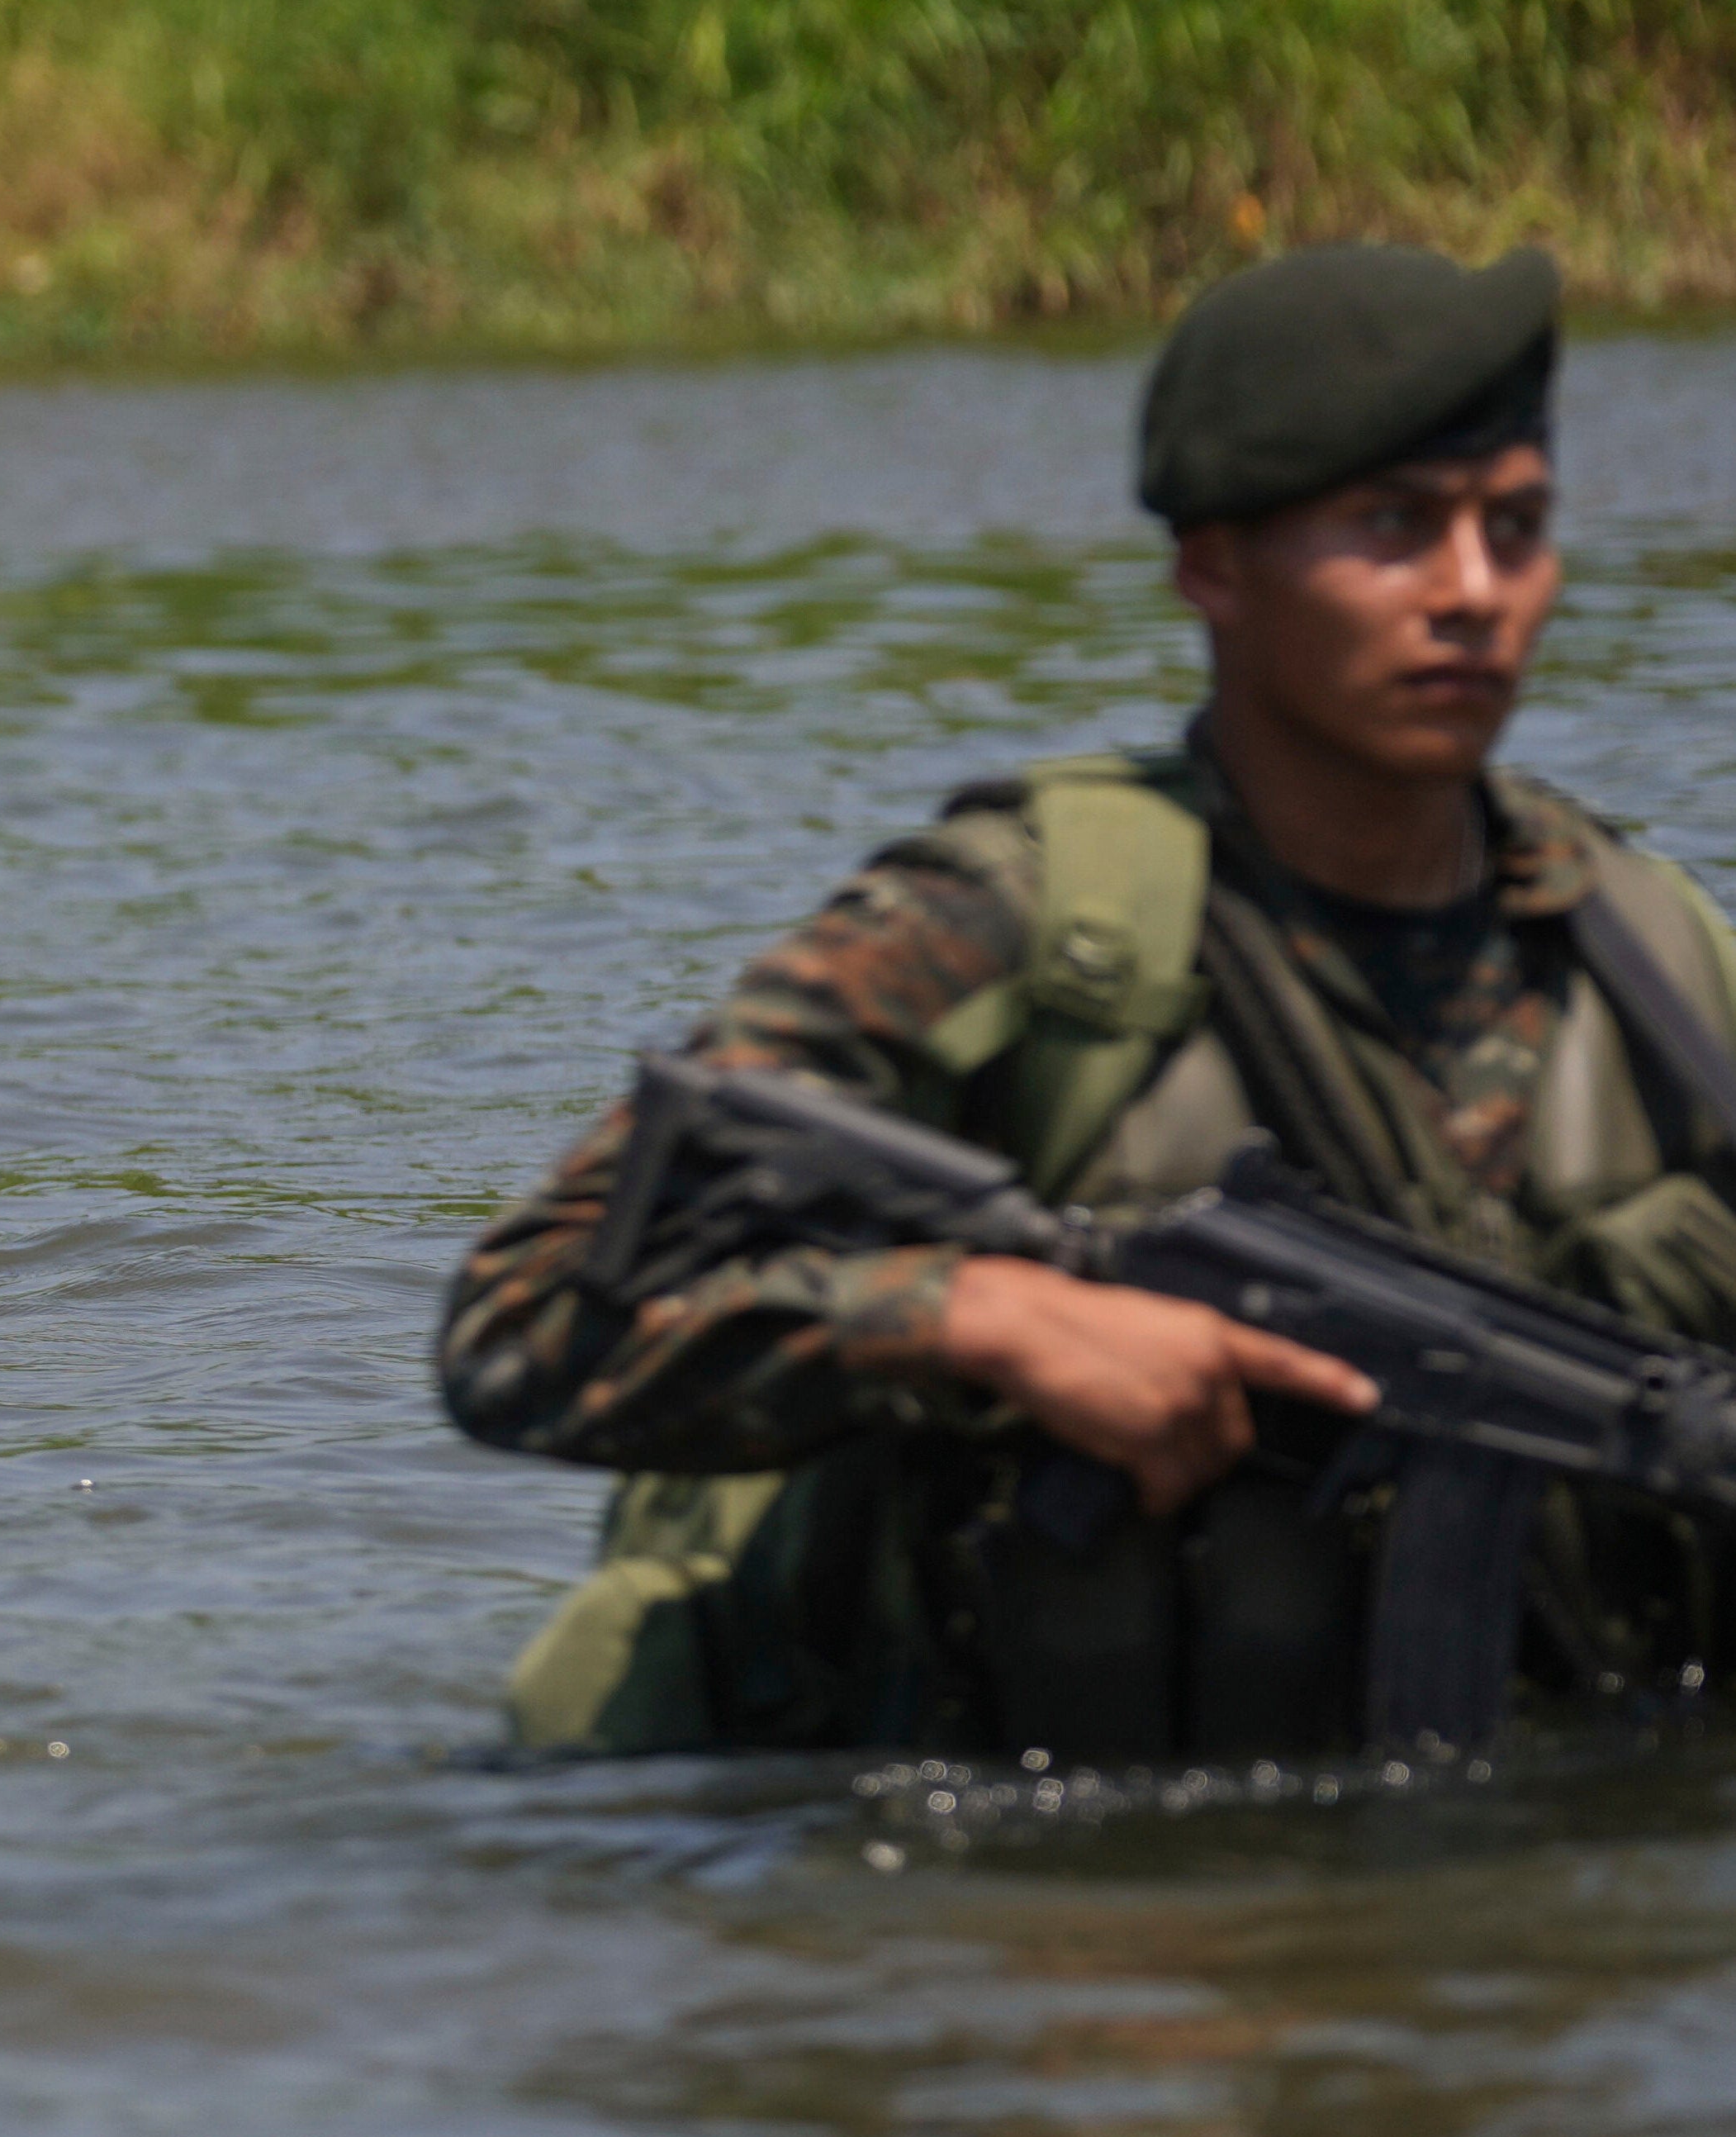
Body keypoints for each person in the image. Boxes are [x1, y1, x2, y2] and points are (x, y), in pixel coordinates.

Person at [439, 240, 1736, 1764]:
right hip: (1025, 1897)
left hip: (1530, 1875)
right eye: (1392, 529)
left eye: (1513, 528)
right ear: (1210, 565)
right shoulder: (1021, 926)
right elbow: (517, 1328)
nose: (1470, 593)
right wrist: (976, 1318)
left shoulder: (1654, 961)